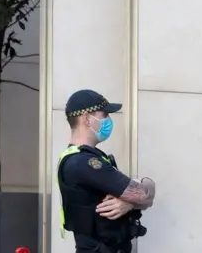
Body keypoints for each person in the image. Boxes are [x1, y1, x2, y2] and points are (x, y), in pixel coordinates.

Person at [56, 89, 156, 253]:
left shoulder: (77, 158)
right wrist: (136, 199)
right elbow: (145, 195)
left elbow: (144, 197)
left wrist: (129, 203)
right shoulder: (86, 163)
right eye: (104, 115)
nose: (108, 120)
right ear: (87, 119)